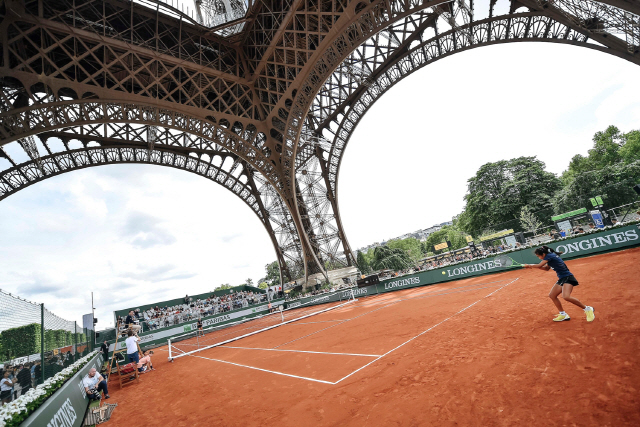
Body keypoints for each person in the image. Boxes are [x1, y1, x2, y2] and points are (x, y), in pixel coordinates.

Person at [524, 245, 595, 322]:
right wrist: (535, 267)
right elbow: (546, 268)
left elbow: (539, 265)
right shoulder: (549, 257)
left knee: (566, 297)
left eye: (538, 256)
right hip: (562, 278)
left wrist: (530, 265)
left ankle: (588, 309)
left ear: (543, 254)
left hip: (568, 277)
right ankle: (563, 314)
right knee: (552, 295)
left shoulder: (549, 256)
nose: (539, 258)